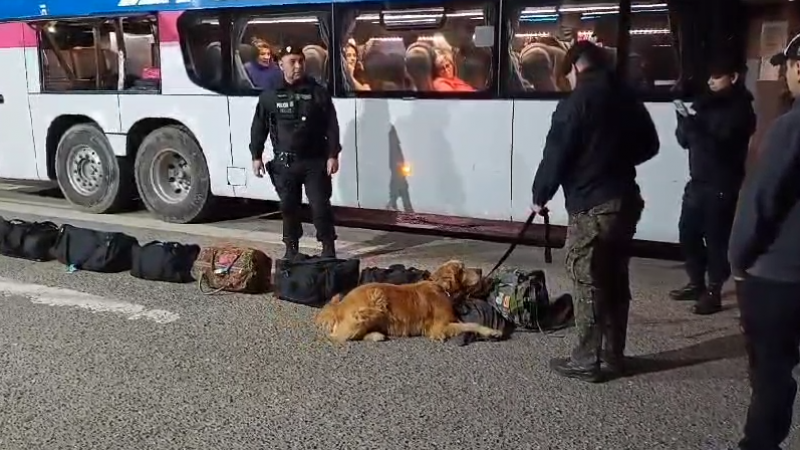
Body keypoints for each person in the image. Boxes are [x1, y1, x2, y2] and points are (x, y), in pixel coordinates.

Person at [530, 41, 659, 383]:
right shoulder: (626, 98)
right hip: (625, 201)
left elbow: (556, 153)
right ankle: (615, 357)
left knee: (586, 278)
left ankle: (587, 360)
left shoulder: (576, 103)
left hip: (592, 204)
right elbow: (651, 145)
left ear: (574, 67)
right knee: (615, 278)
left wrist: (539, 195)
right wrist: (614, 159)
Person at [729, 33, 800, 450]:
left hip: (778, 277)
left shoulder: (789, 128)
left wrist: (738, 260)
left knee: (771, 372)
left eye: (787, 66)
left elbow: (760, 201)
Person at [669, 57, 756, 315]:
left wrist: (694, 127)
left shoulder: (741, 109)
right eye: (709, 77)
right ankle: (696, 282)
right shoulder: (704, 104)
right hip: (697, 181)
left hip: (722, 184)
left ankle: (714, 291)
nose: (710, 81)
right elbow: (686, 141)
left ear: (734, 77)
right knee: (688, 234)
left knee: (716, 239)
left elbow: (719, 146)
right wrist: (682, 119)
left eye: (716, 77)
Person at [249, 44, 341, 260]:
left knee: (320, 206)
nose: (298, 65)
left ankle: (328, 248)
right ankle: (291, 249)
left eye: (301, 61)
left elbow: (331, 125)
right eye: (293, 61)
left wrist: (333, 154)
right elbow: (259, 126)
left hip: (315, 162)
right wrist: (256, 155)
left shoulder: (317, 93)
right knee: (289, 209)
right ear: (281, 65)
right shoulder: (270, 96)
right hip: (286, 164)